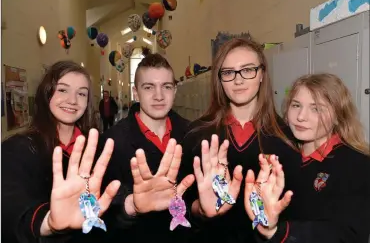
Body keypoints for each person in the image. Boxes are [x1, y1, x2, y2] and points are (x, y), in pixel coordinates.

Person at [179, 38, 302, 243]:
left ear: (262, 74)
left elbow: (296, 210)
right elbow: (180, 204)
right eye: (228, 72)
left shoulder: (286, 138)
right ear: (220, 79)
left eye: (247, 70)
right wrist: (200, 209)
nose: (238, 80)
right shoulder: (197, 135)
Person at [1, 61, 120, 243]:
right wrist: (47, 222)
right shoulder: (18, 149)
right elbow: (9, 208)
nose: (72, 100)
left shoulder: (97, 148)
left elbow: (111, 205)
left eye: (81, 93)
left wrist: (131, 205)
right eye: (63, 90)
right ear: (47, 93)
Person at [244, 73, 370, 243]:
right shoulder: (276, 155)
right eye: (296, 105)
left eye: (316, 108)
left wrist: (278, 231)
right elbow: (260, 219)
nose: (301, 116)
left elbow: (349, 234)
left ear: (338, 117)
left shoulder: (357, 164)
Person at [99, 53, 194, 243]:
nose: (159, 96)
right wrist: (131, 206)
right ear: (136, 92)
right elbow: (103, 213)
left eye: (166, 87)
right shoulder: (112, 142)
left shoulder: (192, 134)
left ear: (175, 90)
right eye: (149, 87)